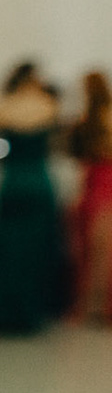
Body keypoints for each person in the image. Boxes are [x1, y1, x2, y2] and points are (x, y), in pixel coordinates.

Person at [0, 62, 66, 334]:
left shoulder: (3, 107)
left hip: (13, 181)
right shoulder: (49, 106)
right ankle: (31, 311)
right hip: (38, 181)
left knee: (8, 249)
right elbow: (58, 145)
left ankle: (4, 311)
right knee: (35, 251)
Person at [70, 71, 112, 323]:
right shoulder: (91, 118)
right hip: (93, 182)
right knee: (91, 248)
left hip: (104, 183)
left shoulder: (103, 118)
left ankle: (97, 306)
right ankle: (93, 305)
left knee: (100, 248)